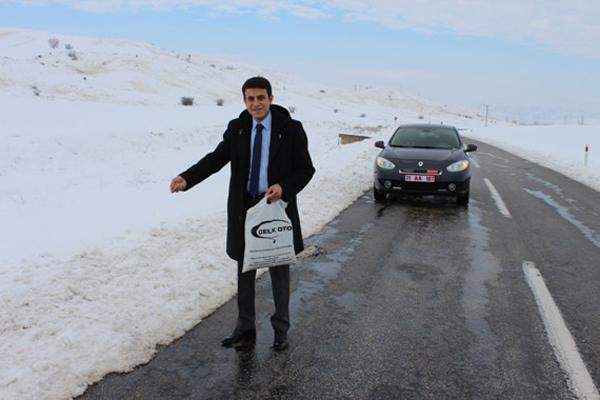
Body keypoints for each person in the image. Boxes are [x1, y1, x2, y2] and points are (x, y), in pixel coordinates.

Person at [170, 76, 315, 351]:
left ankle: (280, 329)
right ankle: (245, 328)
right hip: (244, 209)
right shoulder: (237, 128)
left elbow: (306, 169)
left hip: (276, 208)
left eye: (261, 97)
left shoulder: (291, 129)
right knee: (244, 271)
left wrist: (283, 187)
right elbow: (216, 158)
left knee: (278, 272)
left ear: (271, 98)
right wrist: (187, 178)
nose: (256, 103)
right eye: (250, 98)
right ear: (245, 101)